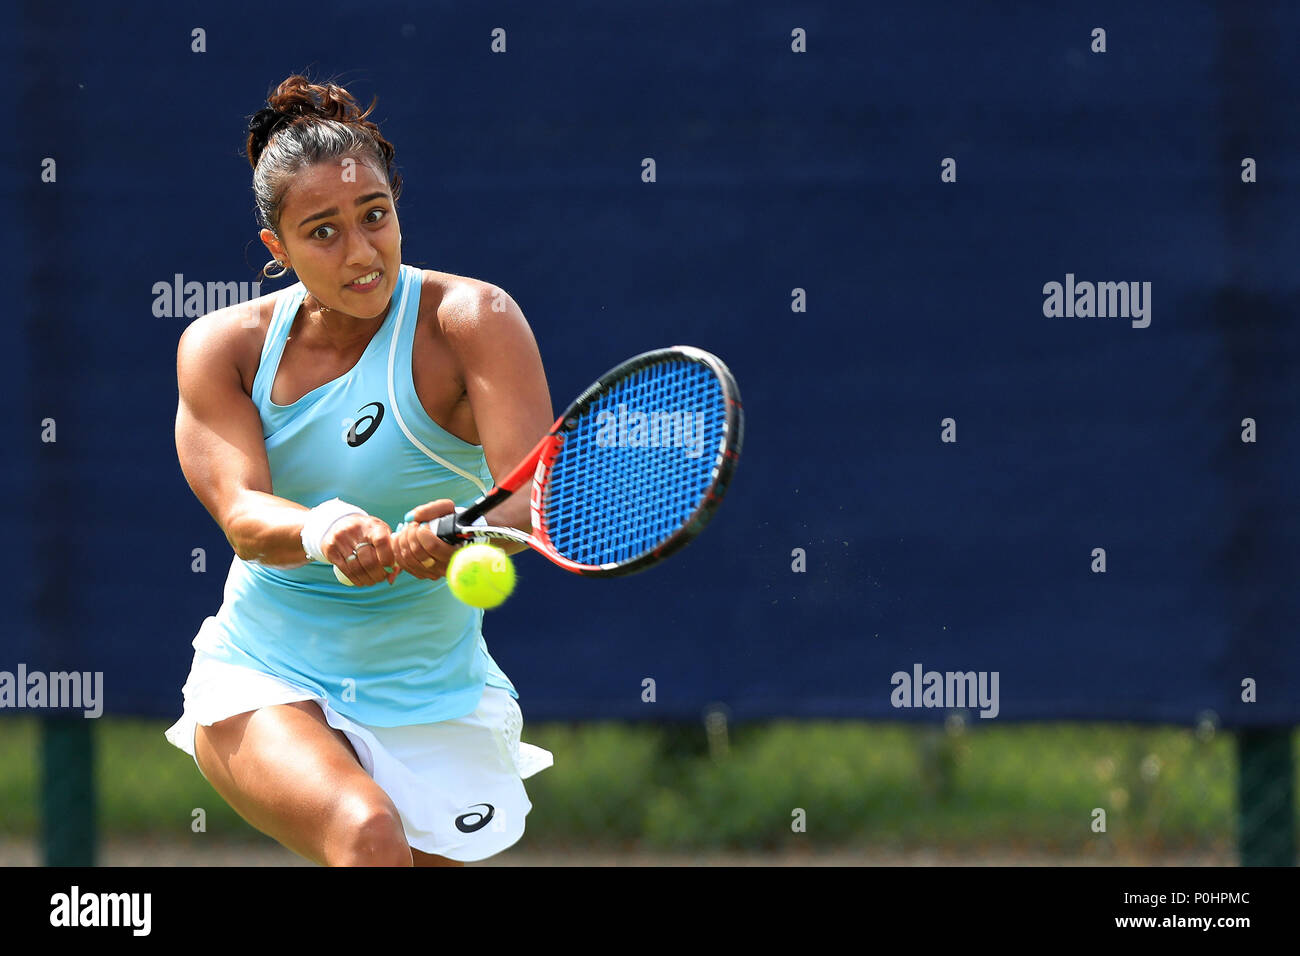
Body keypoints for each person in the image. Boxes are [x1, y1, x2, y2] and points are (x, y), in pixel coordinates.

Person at [165, 74, 554, 866]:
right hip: (267, 672)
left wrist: (460, 537)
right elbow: (243, 516)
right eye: (323, 232)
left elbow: (524, 501)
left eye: (375, 216)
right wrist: (325, 526)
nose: (362, 251)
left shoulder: (474, 320)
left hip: (433, 689)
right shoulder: (224, 349)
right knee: (366, 834)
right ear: (277, 250)